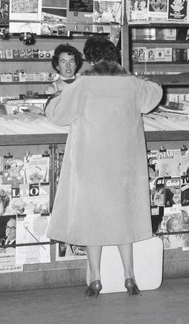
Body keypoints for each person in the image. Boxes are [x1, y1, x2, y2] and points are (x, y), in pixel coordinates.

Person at [45, 36, 162, 298]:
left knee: (92, 220)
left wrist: (52, 99)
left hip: (91, 163)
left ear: (90, 58)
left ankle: (96, 279)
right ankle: (129, 276)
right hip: (123, 165)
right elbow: (153, 95)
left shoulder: (83, 83)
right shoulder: (131, 82)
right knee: (124, 219)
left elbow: (59, 115)